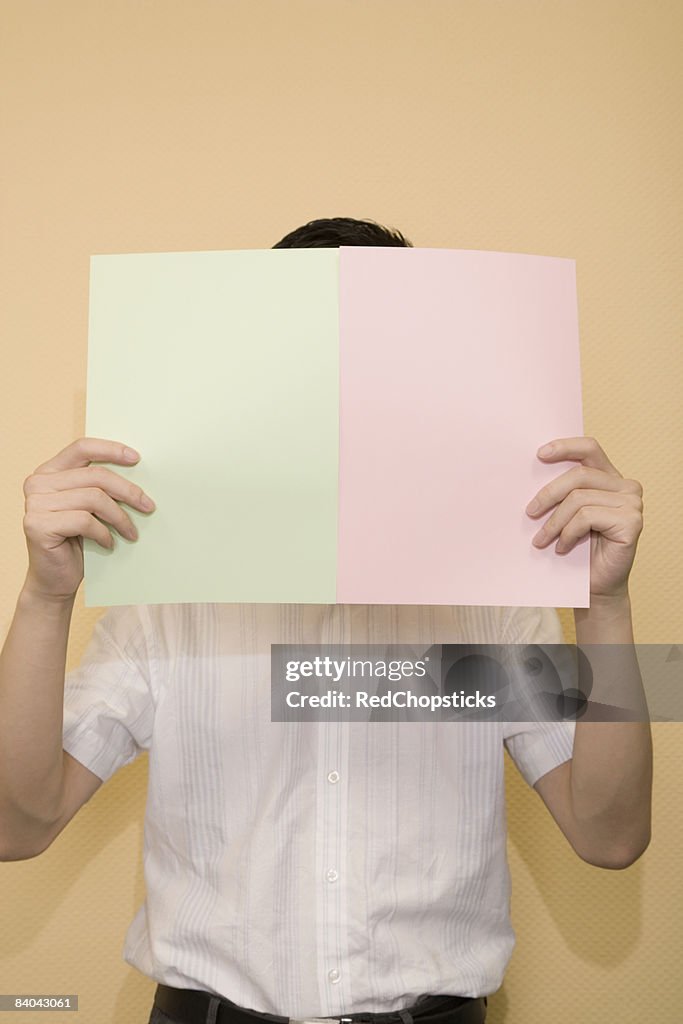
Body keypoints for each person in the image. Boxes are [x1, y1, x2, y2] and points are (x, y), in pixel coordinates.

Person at [0, 217, 652, 1024]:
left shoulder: (493, 599)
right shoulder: (167, 600)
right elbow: (15, 824)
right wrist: (44, 598)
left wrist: (607, 605)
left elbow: (609, 836)